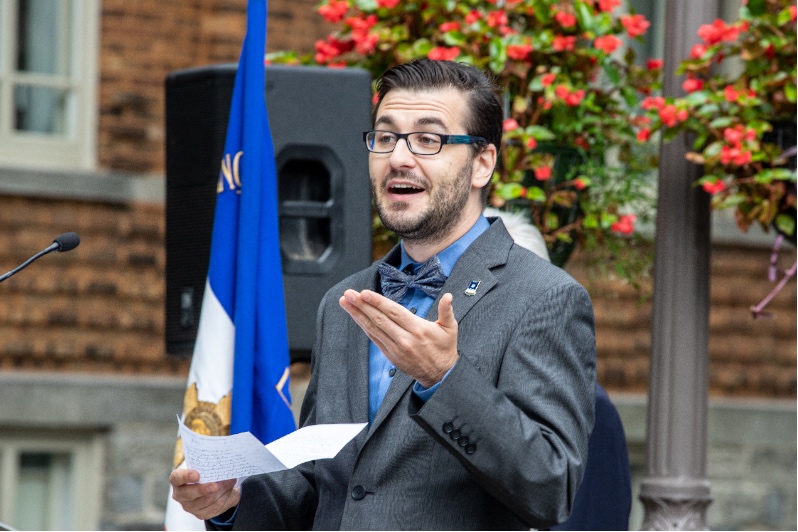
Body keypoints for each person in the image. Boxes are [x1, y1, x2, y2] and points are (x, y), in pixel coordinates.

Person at [170, 58, 597, 530]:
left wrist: (445, 378)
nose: (399, 157)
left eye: (428, 139)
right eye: (386, 136)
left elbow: (551, 487)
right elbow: (321, 485)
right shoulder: (344, 301)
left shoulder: (545, 298)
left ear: (482, 164)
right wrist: (231, 502)